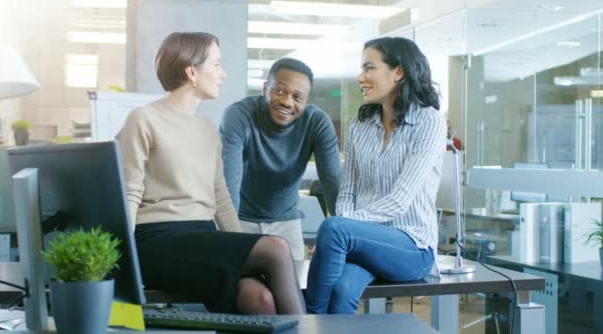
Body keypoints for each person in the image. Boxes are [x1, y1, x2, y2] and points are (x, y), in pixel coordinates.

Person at [116, 32, 305, 315]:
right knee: (276, 249)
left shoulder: (208, 130)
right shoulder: (143, 119)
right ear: (192, 71)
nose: (223, 74)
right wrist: (123, 260)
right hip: (156, 239)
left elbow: (220, 197)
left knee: (259, 298)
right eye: (216, 65)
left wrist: (245, 251)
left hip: (203, 238)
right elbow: (129, 192)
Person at [305, 37, 446, 314]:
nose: (361, 77)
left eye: (369, 68)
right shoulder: (361, 124)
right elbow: (348, 191)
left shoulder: (429, 121)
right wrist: (347, 225)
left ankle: (309, 321)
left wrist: (344, 224)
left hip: (412, 247)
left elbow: (399, 201)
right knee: (341, 289)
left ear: (399, 72)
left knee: (334, 229)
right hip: (365, 242)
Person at [219, 58, 341, 260]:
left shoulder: (317, 122)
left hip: (286, 223)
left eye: (297, 97)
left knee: (292, 287)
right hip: (239, 219)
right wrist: (230, 240)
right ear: (265, 88)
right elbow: (229, 184)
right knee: (242, 287)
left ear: (306, 102)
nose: (287, 101)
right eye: (280, 91)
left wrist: (340, 239)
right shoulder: (238, 116)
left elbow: (332, 183)